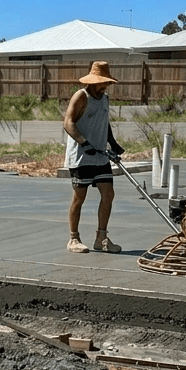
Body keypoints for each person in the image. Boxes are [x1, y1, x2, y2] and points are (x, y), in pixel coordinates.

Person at [63, 61, 125, 254]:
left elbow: (104, 123)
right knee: (79, 197)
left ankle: (101, 238)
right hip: (81, 157)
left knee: (108, 194)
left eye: (106, 83)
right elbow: (68, 123)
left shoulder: (105, 99)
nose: (105, 86)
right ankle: (74, 238)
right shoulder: (81, 96)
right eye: (102, 83)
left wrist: (113, 143)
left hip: (100, 156)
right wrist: (84, 143)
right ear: (92, 82)